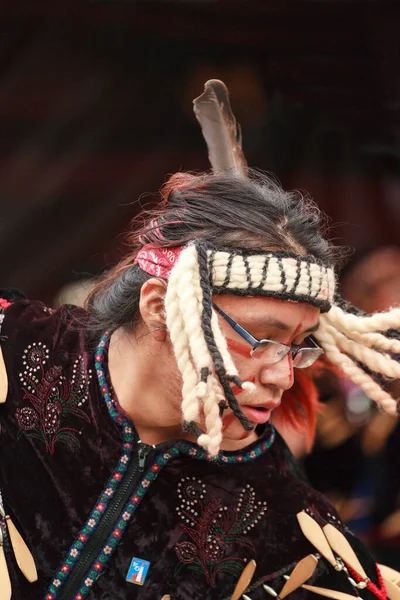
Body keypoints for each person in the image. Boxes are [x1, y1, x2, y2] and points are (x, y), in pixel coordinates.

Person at [0, 81, 400, 600]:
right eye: (260, 338)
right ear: (158, 307)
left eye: (299, 345)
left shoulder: (284, 527)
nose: (283, 374)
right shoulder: (15, 350)